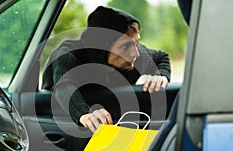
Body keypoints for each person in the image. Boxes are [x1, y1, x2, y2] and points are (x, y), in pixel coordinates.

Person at [42, 6, 171, 133]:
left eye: (135, 43)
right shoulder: (69, 54)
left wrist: (160, 75)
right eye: (125, 46)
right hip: (61, 118)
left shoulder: (135, 58)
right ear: (102, 47)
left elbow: (162, 57)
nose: (135, 53)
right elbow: (63, 85)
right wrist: (85, 114)